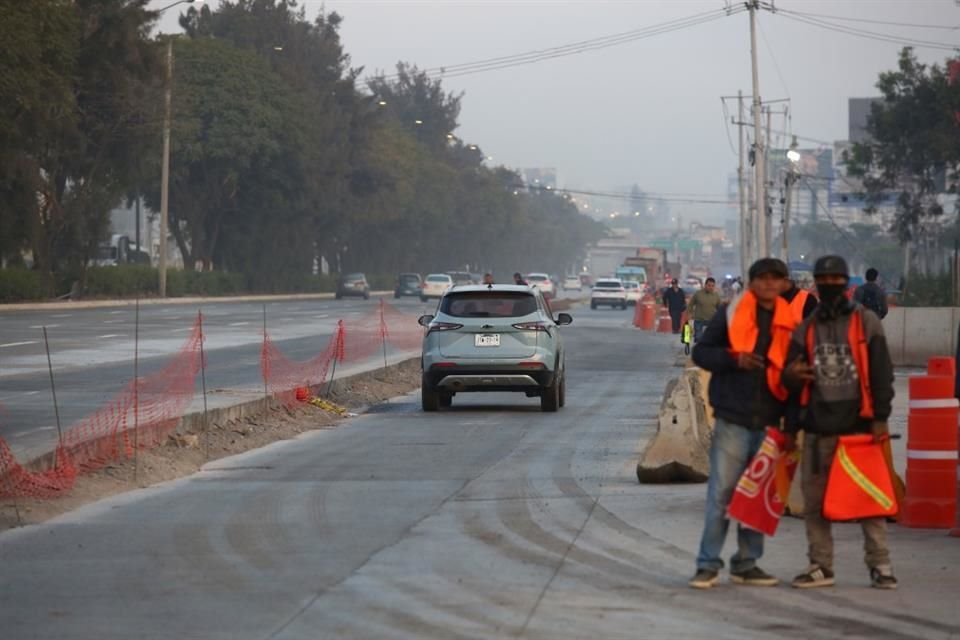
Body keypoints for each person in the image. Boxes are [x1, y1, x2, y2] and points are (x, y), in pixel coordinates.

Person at [782, 255, 897, 590]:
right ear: (816, 284)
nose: (830, 285)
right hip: (818, 430)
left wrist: (880, 418)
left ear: (846, 284)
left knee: (868, 500)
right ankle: (821, 566)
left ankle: (881, 566)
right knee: (815, 505)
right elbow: (789, 382)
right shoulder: (806, 328)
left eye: (836, 280)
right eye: (824, 280)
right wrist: (791, 424)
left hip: (859, 429)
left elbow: (882, 372)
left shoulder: (867, 323)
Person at [689, 258, 797, 589]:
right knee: (721, 494)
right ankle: (707, 565)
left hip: (768, 421)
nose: (767, 284)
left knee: (757, 496)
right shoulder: (731, 313)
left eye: (774, 279)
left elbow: (794, 375)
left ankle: (746, 564)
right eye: (761, 278)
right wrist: (734, 359)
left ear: (784, 283)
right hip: (733, 419)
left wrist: (791, 424)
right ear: (752, 283)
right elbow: (701, 353)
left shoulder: (791, 322)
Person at [688, 277, 721, 342]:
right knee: (698, 337)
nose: (711, 287)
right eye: (709, 285)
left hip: (711, 320)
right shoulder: (698, 294)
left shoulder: (716, 296)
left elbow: (719, 308)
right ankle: (698, 347)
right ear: (705, 285)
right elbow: (691, 304)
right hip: (699, 320)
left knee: (711, 338)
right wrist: (690, 313)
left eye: (712, 286)